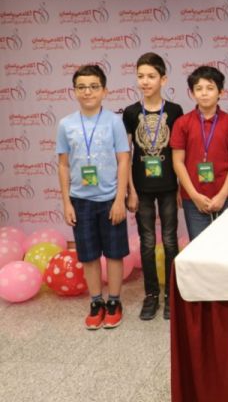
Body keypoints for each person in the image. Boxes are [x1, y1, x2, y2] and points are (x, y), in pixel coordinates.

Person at [56, 64, 130, 330]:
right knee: (88, 255)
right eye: (82, 87)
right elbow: (63, 165)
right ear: (74, 91)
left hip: (110, 199)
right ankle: (96, 301)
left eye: (93, 86)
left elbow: (124, 160)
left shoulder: (114, 121)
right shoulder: (66, 124)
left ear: (104, 91)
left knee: (114, 253)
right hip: (80, 200)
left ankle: (114, 302)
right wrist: (67, 202)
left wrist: (120, 199)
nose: (87, 92)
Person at [122, 52, 184, 321]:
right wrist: (131, 191)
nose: (145, 81)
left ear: (163, 79)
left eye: (151, 76)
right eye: (140, 76)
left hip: (169, 185)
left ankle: (171, 295)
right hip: (141, 188)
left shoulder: (175, 111)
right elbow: (125, 154)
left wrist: (181, 187)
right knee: (147, 242)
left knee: (170, 240)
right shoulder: (130, 113)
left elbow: (180, 153)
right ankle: (151, 295)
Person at [170, 66, 228, 240]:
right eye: (198, 89)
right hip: (194, 198)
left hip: (226, 196)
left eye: (210, 88)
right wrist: (194, 196)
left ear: (221, 92)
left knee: (227, 245)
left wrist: (223, 195)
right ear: (192, 93)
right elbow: (178, 162)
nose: (204, 93)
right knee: (199, 246)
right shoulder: (182, 123)